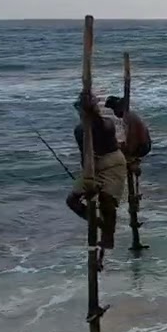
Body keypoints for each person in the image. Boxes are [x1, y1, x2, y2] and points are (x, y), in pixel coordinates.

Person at [66, 95, 127, 265]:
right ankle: (100, 225)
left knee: (108, 201)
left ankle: (108, 236)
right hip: (93, 166)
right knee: (72, 201)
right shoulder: (80, 130)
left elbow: (99, 133)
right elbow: (85, 157)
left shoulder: (106, 123)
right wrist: (88, 179)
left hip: (113, 163)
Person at [105, 96, 152, 175]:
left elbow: (133, 137)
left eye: (114, 109)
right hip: (144, 145)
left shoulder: (128, 117)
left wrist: (128, 150)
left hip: (142, 147)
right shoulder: (130, 115)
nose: (114, 113)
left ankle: (131, 164)